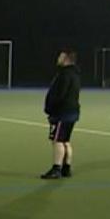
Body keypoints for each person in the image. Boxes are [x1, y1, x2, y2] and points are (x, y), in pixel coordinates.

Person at [40, 49, 81, 179]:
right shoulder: (75, 74)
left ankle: (56, 169)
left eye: (61, 56)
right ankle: (66, 168)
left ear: (66, 59)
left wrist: (51, 109)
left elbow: (60, 95)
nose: (58, 58)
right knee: (65, 140)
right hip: (72, 112)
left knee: (57, 141)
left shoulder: (64, 75)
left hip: (63, 113)